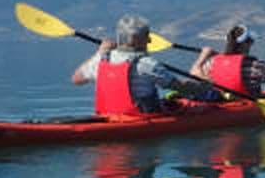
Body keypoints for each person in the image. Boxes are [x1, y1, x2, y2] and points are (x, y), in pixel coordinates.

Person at [72, 14, 206, 115]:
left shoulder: (102, 59)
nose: (149, 40)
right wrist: (204, 87)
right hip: (142, 118)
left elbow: (76, 79)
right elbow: (180, 87)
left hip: (108, 115)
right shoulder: (148, 64)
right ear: (136, 39)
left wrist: (99, 52)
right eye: (147, 36)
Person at [189, 24, 265, 97]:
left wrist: (204, 55)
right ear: (245, 44)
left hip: (222, 99)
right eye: (251, 41)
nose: (252, 44)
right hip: (246, 101)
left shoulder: (212, 62)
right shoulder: (254, 66)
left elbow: (194, 73)